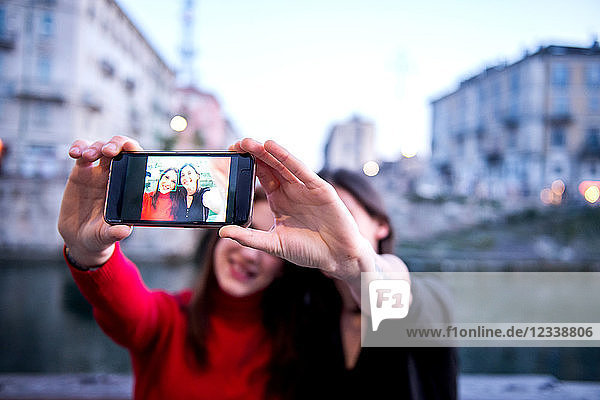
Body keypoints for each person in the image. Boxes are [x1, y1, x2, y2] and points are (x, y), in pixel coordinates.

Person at [58, 136, 454, 399]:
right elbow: (125, 306)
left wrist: (355, 263)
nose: (251, 253)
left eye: (272, 244)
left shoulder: (300, 327)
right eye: (247, 234)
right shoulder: (305, 319)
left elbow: (401, 299)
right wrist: (91, 253)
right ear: (215, 236)